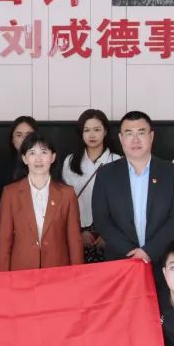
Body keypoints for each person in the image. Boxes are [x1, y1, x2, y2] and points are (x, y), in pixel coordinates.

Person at [91, 111, 174, 266]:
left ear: (151, 136)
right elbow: (101, 219)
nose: (135, 140)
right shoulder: (106, 174)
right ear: (121, 138)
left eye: (141, 133)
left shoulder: (171, 173)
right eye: (129, 133)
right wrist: (131, 252)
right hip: (121, 261)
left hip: (162, 261)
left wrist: (149, 251)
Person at [0, 133, 83, 271]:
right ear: (24, 158)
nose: (38, 159)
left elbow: (74, 239)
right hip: (22, 270)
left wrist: (77, 274)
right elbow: (4, 241)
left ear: (52, 157)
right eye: (32, 153)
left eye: (44, 152)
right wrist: (2, 277)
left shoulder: (67, 194)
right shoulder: (10, 193)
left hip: (58, 269)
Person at [60, 109, 121, 262]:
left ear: (105, 131)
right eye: (87, 130)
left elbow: (123, 203)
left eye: (97, 130)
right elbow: (66, 202)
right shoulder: (70, 161)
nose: (91, 135)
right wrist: (77, 232)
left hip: (111, 231)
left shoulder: (118, 161)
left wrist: (109, 235)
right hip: (78, 228)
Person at [0, 115, 38, 227]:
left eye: (28, 135)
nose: (24, 139)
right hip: (8, 225)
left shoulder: (45, 163)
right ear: (12, 139)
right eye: (19, 135)